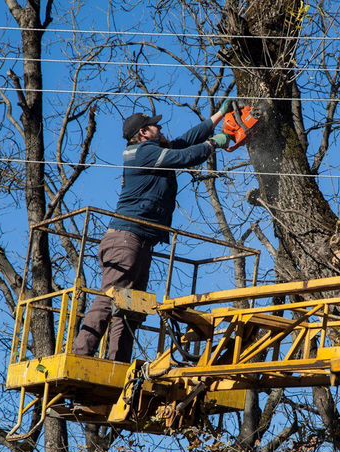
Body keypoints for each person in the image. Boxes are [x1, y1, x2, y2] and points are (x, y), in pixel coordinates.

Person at [72, 101, 233, 362]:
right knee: (111, 297)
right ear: (144, 133)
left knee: (132, 305)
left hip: (139, 242)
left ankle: (119, 363)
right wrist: (213, 144)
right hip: (125, 239)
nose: (160, 127)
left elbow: (183, 142)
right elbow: (184, 156)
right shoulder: (142, 153)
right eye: (154, 125)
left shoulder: (152, 150)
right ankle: (81, 356)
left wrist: (217, 117)